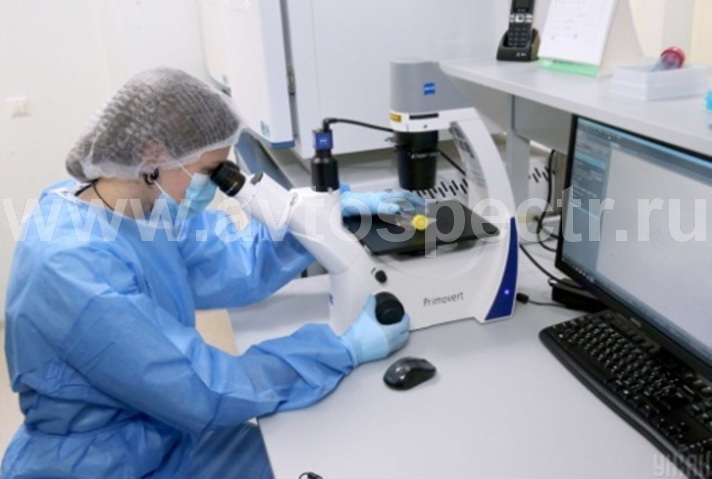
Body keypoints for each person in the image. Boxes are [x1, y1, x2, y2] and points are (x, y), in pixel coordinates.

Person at [1, 68, 419, 478]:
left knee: (321, 449)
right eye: (209, 171)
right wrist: (340, 350)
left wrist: (317, 225)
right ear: (152, 155)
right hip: (102, 464)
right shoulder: (72, 267)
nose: (216, 184)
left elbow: (231, 264)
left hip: (163, 433)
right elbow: (201, 388)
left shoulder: (138, 209)